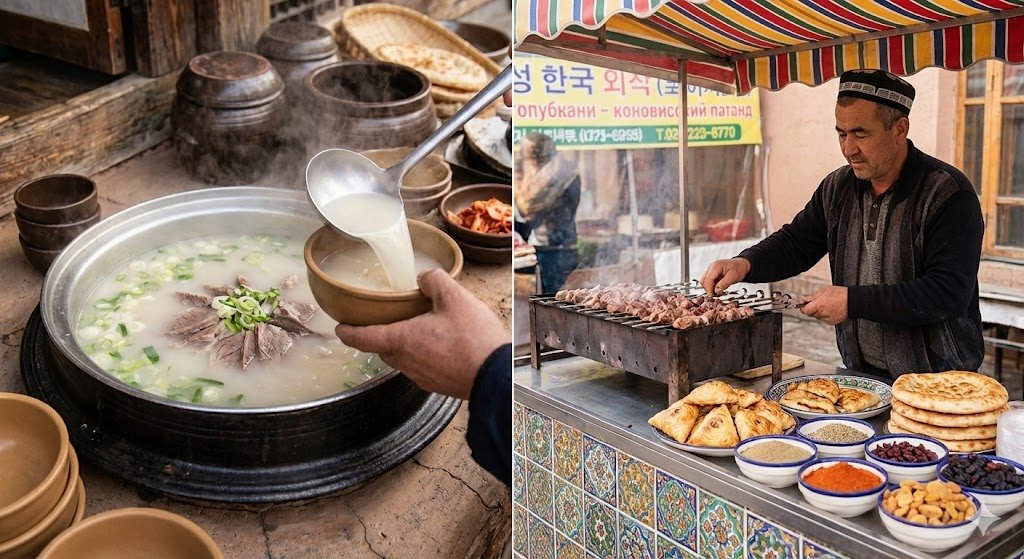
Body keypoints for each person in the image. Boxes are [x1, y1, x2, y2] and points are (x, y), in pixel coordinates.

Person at [701, 69, 984, 378]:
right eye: (841, 133)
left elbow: (946, 292)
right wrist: (745, 264)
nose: (849, 148)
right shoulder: (838, 188)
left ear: (899, 129)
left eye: (861, 134)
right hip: (861, 375)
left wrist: (852, 301)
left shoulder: (947, 194)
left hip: (942, 383)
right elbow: (797, 242)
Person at [514, 132, 581, 293]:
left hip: (556, 250)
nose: (523, 158)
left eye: (526, 154)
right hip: (542, 247)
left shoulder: (560, 175)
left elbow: (529, 210)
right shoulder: (541, 173)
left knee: (553, 299)